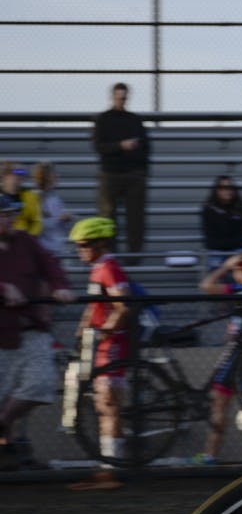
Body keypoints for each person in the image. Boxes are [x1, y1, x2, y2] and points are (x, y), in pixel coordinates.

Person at [0, 194, 75, 471]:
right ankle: (11, 450)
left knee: (40, 383)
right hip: (2, 333)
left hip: (31, 328)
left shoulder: (25, 241)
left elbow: (50, 264)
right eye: (1, 215)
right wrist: (3, 287)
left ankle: (4, 424)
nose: (5, 220)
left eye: (8, 214)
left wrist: (59, 285)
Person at [67, 216, 131, 490]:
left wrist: (105, 330)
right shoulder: (99, 268)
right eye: (78, 246)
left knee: (108, 406)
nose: (80, 250)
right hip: (103, 346)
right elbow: (96, 305)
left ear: (100, 244)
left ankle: (110, 469)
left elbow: (123, 305)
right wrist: (83, 327)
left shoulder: (108, 268)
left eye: (84, 245)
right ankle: (108, 465)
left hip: (111, 346)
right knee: (104, 406)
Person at [194, 250, 242, 464]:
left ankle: (210, 454)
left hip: (235, 355)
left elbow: (206, 286)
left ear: (241, 269)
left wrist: (225, 266)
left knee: (220, 404)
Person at [92, 82, 151, 265]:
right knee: (108, 217)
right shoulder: (103, 119)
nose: (121, 100)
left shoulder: (134, 120)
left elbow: (146, 146)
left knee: (136, 219)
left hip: (133, 175)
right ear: (112, 97)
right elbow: (99, 146)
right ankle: (111, 257)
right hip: (111, 174)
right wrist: (120, 146)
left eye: (124, 97)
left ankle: (134, 258)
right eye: (118, 97)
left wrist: (142, 172)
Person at [200, 175, 242, 272]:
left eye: (230, 188)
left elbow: (240, 236)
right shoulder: (209, 209)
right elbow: (212, 238)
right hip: (217, 251)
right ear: (217, 190)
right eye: (224, 188)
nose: (228, 191)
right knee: (215, 260)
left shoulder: (240, 208)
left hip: (236, 250)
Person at [31, 161, 74, 256]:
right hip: (41, 251)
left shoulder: (55, 198)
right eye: (54, 174)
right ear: (46, 177)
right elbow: (37, 224)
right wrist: (59, 218)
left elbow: (60, 227)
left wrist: (66, 220)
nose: (57, 176)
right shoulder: (36, 198)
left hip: (55, 250)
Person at [1, 161, 41, 236]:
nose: (19, 179)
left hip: (23, 241)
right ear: (5, 177)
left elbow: (37, 222)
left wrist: (29, 238)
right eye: (15, 175)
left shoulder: (31, 197)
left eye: (21, 176)